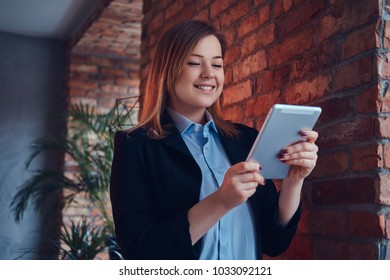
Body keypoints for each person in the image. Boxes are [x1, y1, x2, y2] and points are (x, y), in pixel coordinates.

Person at [110, 19, 319, 260]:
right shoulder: (136, 145)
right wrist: (221, 201)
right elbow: (140, 251)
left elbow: (274, 242)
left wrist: (294, 179)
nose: (209, 74)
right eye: (195, 63)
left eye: (217, 64)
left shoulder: (245, 139)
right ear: (168, 71)